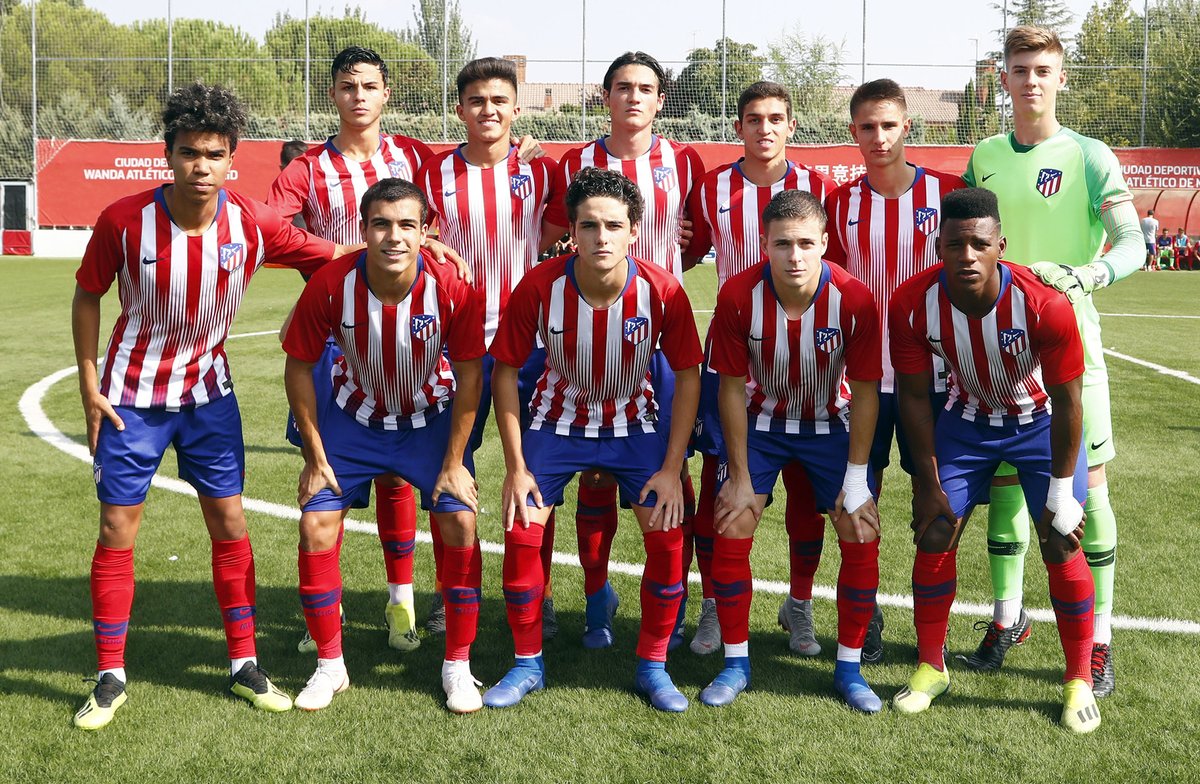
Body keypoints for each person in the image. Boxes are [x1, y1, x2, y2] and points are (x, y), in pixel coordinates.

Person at [70, 82, 352, 730]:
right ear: (168, 155)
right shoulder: (123, 221)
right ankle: (110, 674)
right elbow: (88, 295)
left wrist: (413, 245)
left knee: (229, 525)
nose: (202, 166)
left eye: (215, 154)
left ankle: (243, 664)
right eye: (190, 152)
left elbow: (332, 252)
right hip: (131, 401)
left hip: (208, 399)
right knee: (117, 531)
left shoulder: (250, 222)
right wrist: (90, 383)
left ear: (233, 160)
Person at [268, 46, 514, 653]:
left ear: (385, 95)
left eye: (370, 86)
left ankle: (400, 598)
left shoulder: (411, 154)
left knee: (402, 478)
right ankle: (323, 615)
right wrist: (336, 256)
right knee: (328, 479)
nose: (359, 95)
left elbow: (451, 185)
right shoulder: (309, 167)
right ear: (333, 94)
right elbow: (269, 227)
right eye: (347, 85)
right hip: (338, 341)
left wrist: (430, 243)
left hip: (412, 334)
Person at [963, 26, 1144, 696]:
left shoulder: (1092, 156)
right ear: (1002, 80)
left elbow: (1132, 243)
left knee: (1086, 493)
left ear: (1061, 78)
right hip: (995, 354)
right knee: (1005, 488)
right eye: (1019, 69)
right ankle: (1007, 621)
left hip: (1072, 352)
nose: (1031, 80)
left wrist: (1083, 275)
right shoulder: (983, 156)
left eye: (1043, 69)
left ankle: (1098, 639)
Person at [484, 167, 703, 712]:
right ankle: (527, 663)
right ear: (572, 232)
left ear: (634, 230)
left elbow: (690, 375)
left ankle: (653, 665)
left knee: (667, 530)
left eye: (612, 225)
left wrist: (672, 468)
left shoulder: (662, 288)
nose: (600, 237)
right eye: (588, 226)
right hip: (556, 425)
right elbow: (505, 371)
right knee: (522, 527)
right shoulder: (538, 286)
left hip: (636, 427)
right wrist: (515, 466)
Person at [889, 187, 1100, 734]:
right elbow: (913, 396)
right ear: (938, 245)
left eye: (979, 244)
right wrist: (926, 480)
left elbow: (1070, 400)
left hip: (1039, 423)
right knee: (935, 530)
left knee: (1059, 535)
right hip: (967, 422)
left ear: (999, 245)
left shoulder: (1042, 303)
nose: (967, 255)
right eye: (955, 244)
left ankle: (1077, 678)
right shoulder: (912, 302)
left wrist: (1060, 490)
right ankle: (930, 667)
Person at [282, 178, 487, 714]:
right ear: (362, 229)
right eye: (380, 224)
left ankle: (458, 667)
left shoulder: (454, 285)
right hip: (354, 420)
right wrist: (315, 455)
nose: (393, 237)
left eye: (406, 225)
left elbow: (470, 376)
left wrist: (453, 462)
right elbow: (300, 367)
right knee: (314, 522)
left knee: (461, 519)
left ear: (426, 232)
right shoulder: (330, 283)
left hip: (429, 421)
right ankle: (330, 665)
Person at [542, 51, 706, 652]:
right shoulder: (574, 161)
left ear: (661, 99)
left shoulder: (684, 161)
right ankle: (594, 598)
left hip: (659, 336)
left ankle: (674, 604)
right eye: (622, 87)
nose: (634, 97)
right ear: (605, 96)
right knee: (589, 469)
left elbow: (697, 240)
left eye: (645, 88)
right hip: (588, 334)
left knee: (671, 472)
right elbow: (552, 235)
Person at [703, 189, 884, 713]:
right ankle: (736, 662)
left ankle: (849, 670)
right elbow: (731, 388)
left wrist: (856, 479)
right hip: (762, 423)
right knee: (734, 517)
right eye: (783, 244)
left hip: (831, 422)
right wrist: (738, 475)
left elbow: (868, 391)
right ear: (765, 244)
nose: (796, 255)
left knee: (859, 525)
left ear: (826, 243)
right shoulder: (739, 295)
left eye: (807, 243)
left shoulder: (853, 298)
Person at [683, 81, 837, 657]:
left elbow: (835, 266)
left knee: (802, 490)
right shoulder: (713, 186)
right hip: (733, 361)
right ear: (739, 127)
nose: (764, 128)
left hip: (807, 363)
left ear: (791, 126)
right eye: (753, 118)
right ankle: (714, 607)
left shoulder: (819, 188)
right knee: (721, 490)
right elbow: (686, 247)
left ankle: (798, 603)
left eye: (775, 118)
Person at [415, 57, 563, 638]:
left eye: (499, 101)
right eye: (477, 101)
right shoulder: (433, 174)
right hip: (457, 345)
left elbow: (555, 235)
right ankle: (449, 590)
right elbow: (414, 235)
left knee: (539, 472)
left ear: (516, 109)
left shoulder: (542, 172)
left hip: (531, 343)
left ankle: (540, 594)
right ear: (460, 109)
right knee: (451, 468)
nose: (489, 110)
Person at [822, 78, 967, 662]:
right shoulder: (842, 204)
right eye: (866, 127)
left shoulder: (948, 193)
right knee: (859, 502)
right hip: (864, 384)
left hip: (935, 383)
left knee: (940, 504)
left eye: (888, 125)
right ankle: (868, 617)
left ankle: (933, 625)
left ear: (909, 127)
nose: (878, 137)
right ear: (852, 132)